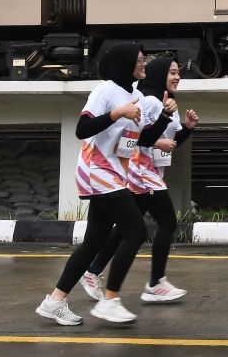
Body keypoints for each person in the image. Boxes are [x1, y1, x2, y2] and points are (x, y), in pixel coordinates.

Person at [35, 43, 150, 325]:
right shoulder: (106, 91)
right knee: (135, 231)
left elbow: (142, 139)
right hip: (96, 170)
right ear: (125, 64)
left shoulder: (136, 95)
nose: (145, 63)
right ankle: (110, 300)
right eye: (140, 59)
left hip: (113, 173)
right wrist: (116, 114)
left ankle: (54, 301)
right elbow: (81, 129)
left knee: (94, 242)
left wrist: (171, 120)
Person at [80, 57, 198, 304]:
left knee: (128, 229)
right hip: (139, 171)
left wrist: (186, 128)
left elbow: (170, 140)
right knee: (166, 221)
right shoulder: (151, 101)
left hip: (149, 172)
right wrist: (158, 141)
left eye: (178, 73)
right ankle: (154, 283)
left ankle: (93, 270)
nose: (177, 77)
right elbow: (135, 136)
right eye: (172, 72)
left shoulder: (162, 102)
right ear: (159, 74)